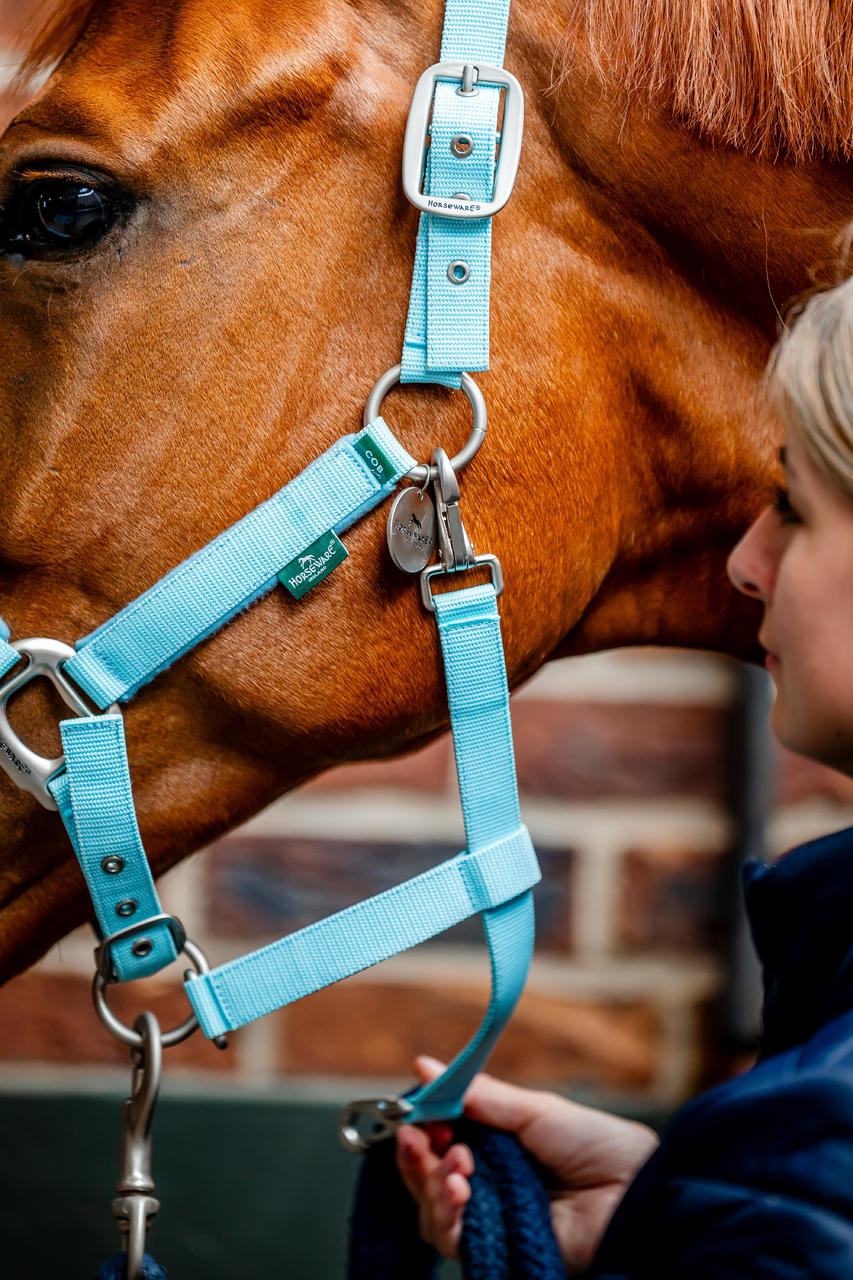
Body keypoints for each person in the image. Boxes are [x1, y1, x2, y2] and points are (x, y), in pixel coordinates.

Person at [395, 274, 853, 1276]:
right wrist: (672, 1211)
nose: (743, 563)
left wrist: (757, 1198)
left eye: (792, 505)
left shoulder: (821, 1148)